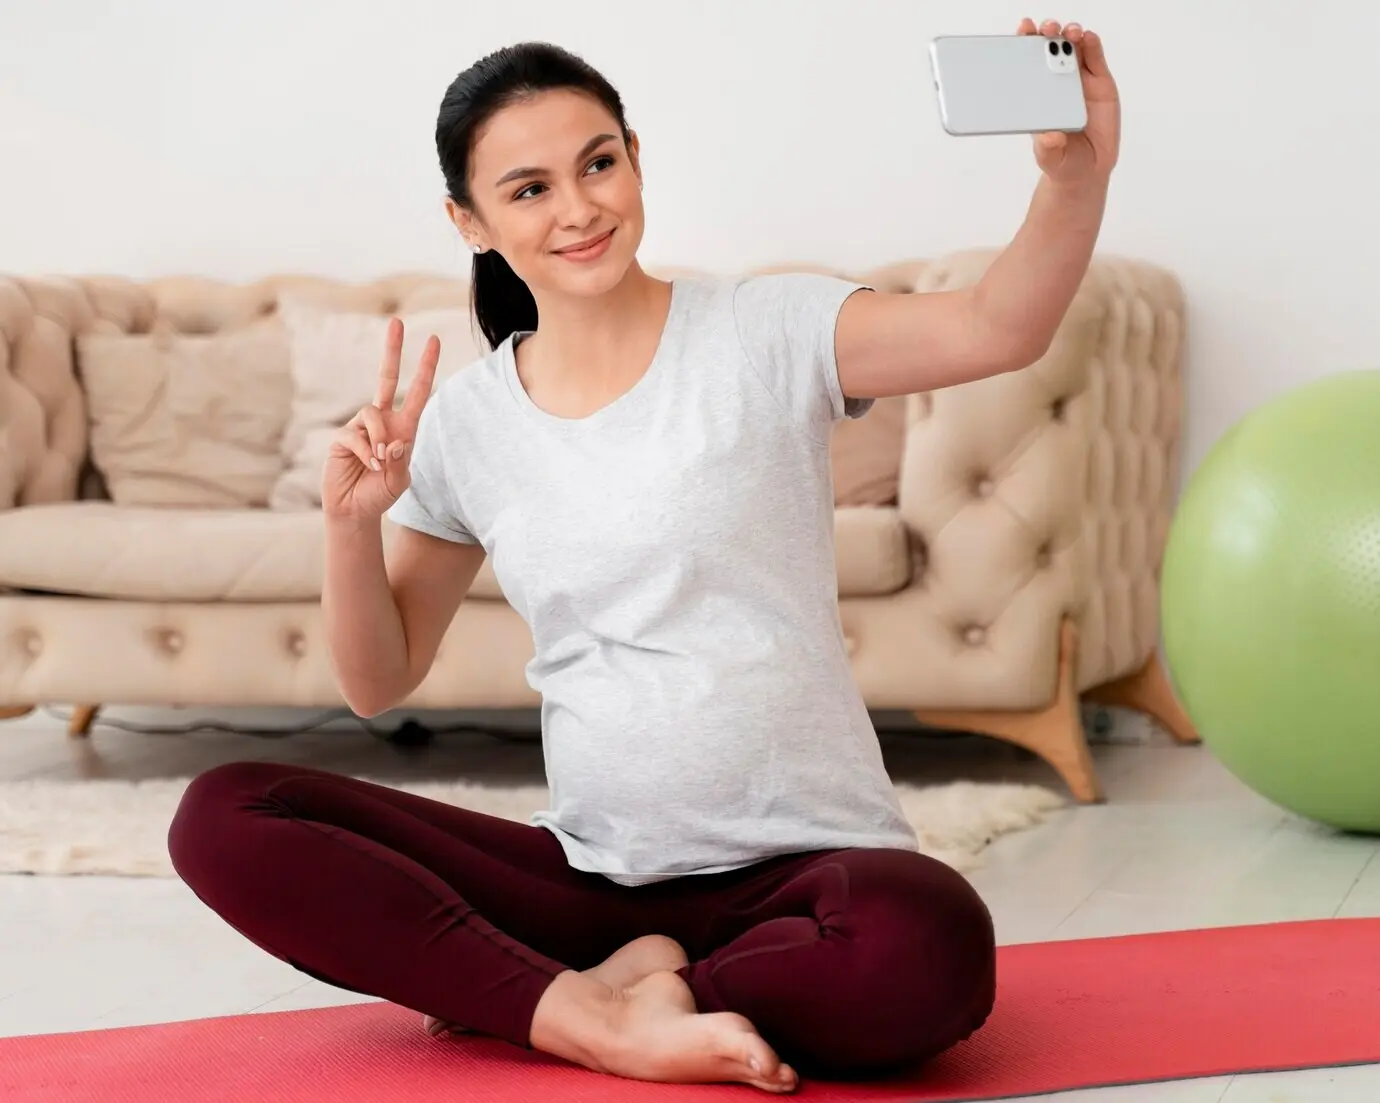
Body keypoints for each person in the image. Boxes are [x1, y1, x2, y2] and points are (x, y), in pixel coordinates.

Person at [168, 17, 1119, 1094]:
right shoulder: (468, 423)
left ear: (634, 160)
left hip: (809, 871)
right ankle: (592, 1012)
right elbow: (378, 678)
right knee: (225, 813)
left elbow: (999, 326)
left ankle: (643, 983)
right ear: (468, 221)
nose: (577, 209)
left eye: (598, 163)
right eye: (527, 190)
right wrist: (349, 522)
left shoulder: (766, 330)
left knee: (927, 938)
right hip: (589, 879)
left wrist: (1075, 174)